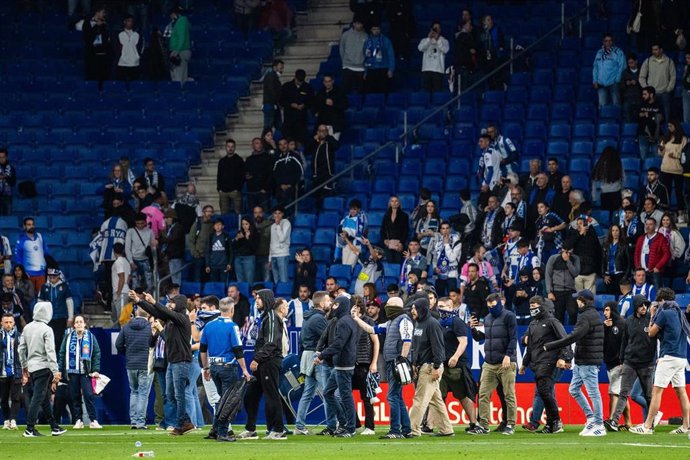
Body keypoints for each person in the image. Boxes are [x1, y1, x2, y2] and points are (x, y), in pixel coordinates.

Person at [544, 289, 606, 436]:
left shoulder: (586, 316)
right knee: (574, 389)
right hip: (582, 360)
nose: (576, 301)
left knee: (593, 393)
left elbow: (574, 336)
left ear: (582, 300)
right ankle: (591, 418)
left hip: (588, 360)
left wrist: (552, 345)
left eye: (577, 299)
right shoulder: (592, 314)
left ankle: (599, 424)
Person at [132, 291, 194, 436]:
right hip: (173, 361)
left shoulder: (182, 318)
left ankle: (180, 425)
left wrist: (154, 301)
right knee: (169, 394)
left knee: (178, 395)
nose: (170, 305)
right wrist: (139, 301)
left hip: (181, 360)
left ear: (179, 304)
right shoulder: (171, 319)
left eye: (172, 302)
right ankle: (186, 421)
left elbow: (163, 310)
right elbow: (156, 312)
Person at [352, 296, 413, 439]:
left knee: (392, 396)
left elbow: (407, 341)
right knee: (398, 397)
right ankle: (406, 429)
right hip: (392, 362)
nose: (387, 308)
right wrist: (356, 318)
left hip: (397, 363)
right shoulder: (391, 322)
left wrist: (402, 361)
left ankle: (395, 430)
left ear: (397, 307)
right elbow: (371, 329)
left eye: (390, 305)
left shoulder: (404, 320)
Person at [631, 288, 690, 435]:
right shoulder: (679, 313)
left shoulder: (664, 313)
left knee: (656, 391)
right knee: (681, 391)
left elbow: (651, 332)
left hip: (668, 356)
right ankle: (686, 426)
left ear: (662, 300)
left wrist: (652, 315)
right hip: (681, 357)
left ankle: (647, 426)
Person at [200, 297, 252, 443]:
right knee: (228, 402)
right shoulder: (232, 326)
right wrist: (245, 370)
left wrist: (205, 367)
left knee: (222, 400)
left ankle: (214, 429)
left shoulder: (209, 325)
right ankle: (222, 433)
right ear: (232, 309)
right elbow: (238, 349)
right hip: (228, 367)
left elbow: (203, 349)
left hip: (214, 367)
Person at [239, 291, 289, 440]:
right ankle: (250, 429)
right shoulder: (267, 317)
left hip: (270, 361)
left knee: (272, 396)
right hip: (264, 362)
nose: (256, 301)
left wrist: (257, 359)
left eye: (259, 298)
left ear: (266, 299)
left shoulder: (272, 317)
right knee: (251, 396)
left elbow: (272, 343)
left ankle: (279, 430)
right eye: (255, 298)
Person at [519, 296, 572, 434]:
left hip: (551, 362)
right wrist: (525, 363)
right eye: (530, 306)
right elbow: (530, 347)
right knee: (545, 392)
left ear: (542, 306)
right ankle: (550, 424)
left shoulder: (552, 322)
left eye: (534, 306)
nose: (532, 309)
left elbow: (565, 340)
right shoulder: (533, 324)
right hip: (537, 363)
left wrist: (563, 358)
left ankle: (555, 421)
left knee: (543, 391)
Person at [467, 293, 517, 435]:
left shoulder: (509, 316)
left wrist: (508, 356)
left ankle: (511, 424)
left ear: (499, 303)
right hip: (489, 363)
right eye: (489, 306)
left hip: (505, 363)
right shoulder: (488, 319)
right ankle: (483, 425)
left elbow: (513, 338)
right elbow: (481, 338)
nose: (491, 308)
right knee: (483, 394)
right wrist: (472, 329)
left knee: (509, 395)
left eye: (493, 306)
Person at [604, 295, 655, 432]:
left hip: (647, 363)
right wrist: (621, 361)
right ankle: (614, 421)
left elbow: (657, 340)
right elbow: (624, 342)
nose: (644, 307)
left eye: (645, 305)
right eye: (641, 305)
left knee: (648, 395)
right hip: (630, 362)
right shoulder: (629, 321)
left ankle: (650, 422)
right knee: (623, 393)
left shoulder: (651, 319)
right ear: (635, 306)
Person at [406, 297, 454, 437]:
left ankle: (413, 429)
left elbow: (438, 347)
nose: (412, 311)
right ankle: (446, 429)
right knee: (435, 400)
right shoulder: (418, 323)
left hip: (431, 366)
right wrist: (414, 364)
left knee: (420, 399)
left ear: (422, 308)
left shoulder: (433, 324)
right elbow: (417, 347)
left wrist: (437, 366)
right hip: (423, 365)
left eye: (415, 308)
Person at [18, 301, 66, 437]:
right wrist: (56, 371)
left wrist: (24, 366)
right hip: (44, 368)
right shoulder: (47, 329)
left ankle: (54, 426)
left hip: (32, 368)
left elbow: (21, 349)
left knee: (44, 398)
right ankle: (29, 428)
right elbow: (50, 351)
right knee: (38, 397)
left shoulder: (27, 327)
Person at [315, 296, 360, 437]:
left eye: (336, 305)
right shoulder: (347, 321)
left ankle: (350, 428)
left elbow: (338, 344)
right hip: (341, 364)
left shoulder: (343, 322)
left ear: (341, 306)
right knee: (328, 393)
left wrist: (322, 355)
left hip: (343, 365)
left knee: (346, 396)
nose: (333, 307)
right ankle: (343, 422)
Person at [435, 297, 477, 431]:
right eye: (439, 306)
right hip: (442, 365)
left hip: (456, 366)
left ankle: (474, 423)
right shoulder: (438, 322)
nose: (440, 308)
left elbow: (464, 342)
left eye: (443, 306)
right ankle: (434, 426)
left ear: (451, 308)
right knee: (438, 396)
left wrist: (455, 356)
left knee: (463, 395)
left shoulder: (457, 322)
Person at [294, 291, 330, 435]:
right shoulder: (318, 319)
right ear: (321, 304)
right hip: (317, 356)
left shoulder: (309, 317)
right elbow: (328, 338)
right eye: (328, 301)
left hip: (307, 356)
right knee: (327, 392)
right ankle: (332, 425)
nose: (330, 303)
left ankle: (299, 426)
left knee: (308, 393)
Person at [58, 315, 102, 429]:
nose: (78, 324)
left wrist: (96, 370)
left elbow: (96, 354)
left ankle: (93, 420)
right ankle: (78, 420)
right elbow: (62, 353)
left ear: (84, 324)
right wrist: (59, 370)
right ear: (74, 325)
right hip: (72, 371)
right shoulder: (68, 338)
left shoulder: (91, 337)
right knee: (75, 396)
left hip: (85, 371)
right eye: (76, 322)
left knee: (88, 395)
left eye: (80, 322)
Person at [115, 306, 153, 429]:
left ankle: (133, 420)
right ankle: (140, 422)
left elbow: (118, 344)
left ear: (135, 312)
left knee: (134, 392)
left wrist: (127, 353)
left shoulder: (126, 327)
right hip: (144, 364)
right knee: (142, 394)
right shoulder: (149, 328)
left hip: (131, 364)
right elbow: (153, 344)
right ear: (148, 314)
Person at [349, 297, 379, 435]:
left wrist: (374, 362)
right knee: (345, 395)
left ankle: (370, 427)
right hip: (349, 363)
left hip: (364, 363)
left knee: (366, 397)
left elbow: (376, 342)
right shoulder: (348, 321)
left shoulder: (368, 321)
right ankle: (355, 423)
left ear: (358, 308)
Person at [602, 301, 628, 429]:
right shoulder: (606, 325)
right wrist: (606, 328)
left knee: (614, 392)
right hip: (609, 363)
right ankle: (628, 422)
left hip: (619, 363)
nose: (605, 313)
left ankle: (612, 419)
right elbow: (604, 343)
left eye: (607, 310)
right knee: (620, 393)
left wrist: (623, 361)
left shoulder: (622, 324)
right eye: (604, 310)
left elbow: (626, 344)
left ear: (613, 310)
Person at [37, 268, 74, 351]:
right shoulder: (44, 287)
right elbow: (39, 303)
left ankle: (58, 358)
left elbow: (69, 302)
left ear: (58, 276)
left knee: (58, 338)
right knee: (48, 338)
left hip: (61, 317)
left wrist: (70, 318)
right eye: (50, 276)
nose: (52, 277)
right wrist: (40, 317)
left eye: (54, 276)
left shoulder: (64, 286)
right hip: (48, 318)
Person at [545, 241, 581, 326]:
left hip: (570, 291)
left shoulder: (575, 258)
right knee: (558, 316)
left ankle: (572, 333)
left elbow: (575, 273)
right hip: (557, 291)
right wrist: (549, 292)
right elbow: (548, 274)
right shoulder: (553, 258)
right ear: (562, 249)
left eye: (570, 252)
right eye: (566, 251)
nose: (568, 253)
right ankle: (559, 335)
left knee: (573, 312)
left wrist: (568, 261)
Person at [658, 120, 688, 222]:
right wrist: (661, 149)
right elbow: (661, 154)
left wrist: (675, 155)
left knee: (679, 192)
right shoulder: (666, 138)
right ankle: (666, 214)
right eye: (668, 126)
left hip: (677, 169)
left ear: (676, 126)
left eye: (671, 126)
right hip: (665, 169)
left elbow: (686, 154)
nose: (669, 128)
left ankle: (681, 214)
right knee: (666, 192)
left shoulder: (684, 139)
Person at [639, 43, 675, 122]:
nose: (654, 51)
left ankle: (667, 129)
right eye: (653, 50)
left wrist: (668, 89)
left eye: (656, 49)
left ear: (661, 50)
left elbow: (673, 77)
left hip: (664, 92)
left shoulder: (669, 61)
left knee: (666, 114)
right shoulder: (648, 61)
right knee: (651, 116)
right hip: (652, 94)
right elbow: (641, 77)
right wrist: (647, 89)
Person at [14, 217, 50, 295]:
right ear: (24, 226)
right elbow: (18, 259)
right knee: (29, 298)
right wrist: (23, 272)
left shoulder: (40, 237)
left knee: (42, 298)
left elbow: (46, 252)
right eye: (29, 225)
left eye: (33, 224)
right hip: (28, 274)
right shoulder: (21, 240)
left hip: (42, 273)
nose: (31, 226)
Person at [634, 217, 671, 288]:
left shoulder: (661, 238)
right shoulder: (641, 238)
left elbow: (667, 254)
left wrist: (658, 267)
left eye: (650, 224)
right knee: (643, 293)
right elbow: (636, 254)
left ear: (655, 226)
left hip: (654, 272)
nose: (648, 226)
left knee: (657, 293)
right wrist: (637, 267)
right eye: (646, 224)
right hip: (642, 272)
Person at [428, 221, 463, 297]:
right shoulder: (438, 241)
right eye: (443, 229)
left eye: (447, 228)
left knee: (452, 298)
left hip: (452, 275)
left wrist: (447, 244)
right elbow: (434, 258)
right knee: (440, 298)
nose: (445, 231)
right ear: (440, 230)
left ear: (450, 229)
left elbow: (452, 258)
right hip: (440, 274)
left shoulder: (456, 240)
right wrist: (434, 267)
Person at [280, 69, 314, 146]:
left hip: (301, 120)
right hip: (289, 119)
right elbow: (281, 101)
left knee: (300, 141)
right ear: (295, 77)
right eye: (298, 80)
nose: (300, 82)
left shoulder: (308, 88)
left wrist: (304, 105)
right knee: (288, 140)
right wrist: (291, 104)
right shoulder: (286, 87)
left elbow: (311, 101)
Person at [305, 125, 339, 200]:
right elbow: (306, 150)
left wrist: (328, 136)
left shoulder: (329, 142)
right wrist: (314, 139)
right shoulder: (315, 144)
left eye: (324, 131)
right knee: (316, 197)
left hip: (327, 174)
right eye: (320, 131)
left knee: (325, 196)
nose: (322, 133)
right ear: (317, 132)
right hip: (316, 174)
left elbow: (336, 146)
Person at [592, 34, 626, 107]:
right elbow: (595, 67)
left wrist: (617, 80)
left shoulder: (618, 52)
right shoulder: (599, 53)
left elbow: (622, 67)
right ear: (603, 42)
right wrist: (595, 80)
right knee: (602, 105)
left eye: (610, 41)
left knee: (616, 104)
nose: (608, 43)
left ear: (612, 42)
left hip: (613, 82)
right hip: (601, 83)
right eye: (606, 41)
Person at [0, 314, 22, 430]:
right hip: (2, 372)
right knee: (3, 399)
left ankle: (13, 420)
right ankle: (6, 420)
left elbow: (23, 355)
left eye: (10, 322)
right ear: (1, 323)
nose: (8, 324)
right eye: (6, 322)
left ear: (14, 323)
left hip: (16, 371)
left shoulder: (19, 336)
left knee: (15, 398)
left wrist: (25, 371)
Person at [83, 6, 111, 89]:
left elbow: (107, 39)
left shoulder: (105, 24)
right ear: (97, 12)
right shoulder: (87, 23)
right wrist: (96, 26)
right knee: (91, 76)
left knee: (103, 77)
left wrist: (102, 26)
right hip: (91, 54)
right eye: (103, 12)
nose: (104, 14)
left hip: (103, 54)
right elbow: (87, 38)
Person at [363, 23, 395, 95]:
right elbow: (365, 57)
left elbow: (391, 56)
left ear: (380, 30)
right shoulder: (367, 41)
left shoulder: (386, 40)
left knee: (383, 92)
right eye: (374, 29)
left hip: (382, 69)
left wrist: (391, 69)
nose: (376, 31)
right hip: (371, 69)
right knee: (371, 92)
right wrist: (365, 71)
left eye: (377, 29)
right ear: (371, 30)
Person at [417, 21, 449, 93]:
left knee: (437, 93)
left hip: (438, 71)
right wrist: (429, 39)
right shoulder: (425, 40)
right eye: (435, 28)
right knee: (426, 93)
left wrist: (437, 40)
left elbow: (445, 50)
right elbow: (420, 48)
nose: (436, 30)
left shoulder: (444, 41)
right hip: (426, 70)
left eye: (438, 28)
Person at [126, 213, 155, 291]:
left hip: (146, 259)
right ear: (135, 223)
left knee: (149, 284)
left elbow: (153, 247)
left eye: (142, 223)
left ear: (145, 222)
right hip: (134, 260)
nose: (140, 225)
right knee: (135, 284)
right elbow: (127, 248)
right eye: (138, 223)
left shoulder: (150, 232)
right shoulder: (130, 231)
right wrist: (131, 262)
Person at [591, 147, 624, 216]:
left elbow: (594, 179)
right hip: (616, 193)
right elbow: (623, 178)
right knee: (616, 214)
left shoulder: (600, 164)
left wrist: (594, 196)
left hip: (604, 194)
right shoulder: (618, 163)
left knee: (605, 215)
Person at [313, 74, 347, 140]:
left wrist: (333, 104)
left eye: (329, 81)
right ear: (323, 82)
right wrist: (315, 112)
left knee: (333, 145)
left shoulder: (339, 92)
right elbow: (315, 105)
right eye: (325, 81)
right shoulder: (320, 93)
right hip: (322, 123)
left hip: (335, 124)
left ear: (332, 81)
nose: (327, 83)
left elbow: (344, 105)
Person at [217, 138, 245, 215]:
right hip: (223, 191)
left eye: (232, 146)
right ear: (225, 147)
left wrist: (237, 188)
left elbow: (242, 176)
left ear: (235, 147)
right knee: (224, 213)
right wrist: (219, 189)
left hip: (235, 191)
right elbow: (219, 175)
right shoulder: (222, 161)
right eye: (228, 146)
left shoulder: (239, 160)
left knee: (238, 213)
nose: (230, 148)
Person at [339, 17, 367, 94]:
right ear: (354, 24)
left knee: (361, 92)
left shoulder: (366, 36)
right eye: (357, 23)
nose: (359, 25)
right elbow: (342, 49)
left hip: (361, 68)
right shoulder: (345, 35)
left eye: (361, 23)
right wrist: (345, 62)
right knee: (346, 91)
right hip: (348, 67)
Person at [338, 199, 369, 267]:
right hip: (346, 245)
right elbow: (340, 229)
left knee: (350, 267)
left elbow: (358, 233)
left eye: (354, 209)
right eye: (351, 209)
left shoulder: (362, 219)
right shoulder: (345, 219)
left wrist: (346, 233)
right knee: (344, 266)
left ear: (359, 209)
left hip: (356, 245)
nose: (352, 211)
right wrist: (343, 234)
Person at [601, 224, 631, 296]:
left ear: (620, 232)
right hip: (609, 277)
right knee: (609, 298)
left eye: (617, 230)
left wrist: (625, 277)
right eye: (613, 230)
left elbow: (629, 263)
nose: (615, 232)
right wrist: (604, 275)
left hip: (620, 276)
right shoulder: (606, 245)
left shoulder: (624, 245)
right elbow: (602, 261)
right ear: (610, 232)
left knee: (620, 297)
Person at [187, 205, 214, 283]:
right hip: (198, 256)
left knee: (207, 278)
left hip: (208, 257)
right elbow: (191, 240)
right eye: (208, 211)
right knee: (197, 277)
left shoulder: (212, 225)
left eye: (211, 212)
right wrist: (195, 253)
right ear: (203, 212)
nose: (210, 213)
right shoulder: (197, 224)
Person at [381, 196, 409, 264]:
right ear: (390, 203)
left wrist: (401, 243)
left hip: (399, 244)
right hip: (389, 244)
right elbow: (383, 230)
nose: (394, 203)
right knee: (390, 263)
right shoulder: (386, 215)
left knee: (398, 263)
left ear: (399, 203)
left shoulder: (404, 216)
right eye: (392, 201)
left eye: (396, 201)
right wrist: (384, 240)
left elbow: (406, 231)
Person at [637, 86, 664, 158]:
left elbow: (662, 118)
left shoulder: (659, 105)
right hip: (643, 134)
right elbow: (636, 116)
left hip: (656, 135)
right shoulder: (641, 104)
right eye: (643, 94)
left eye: (645, 94)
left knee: (657, 157)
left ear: (651, 95)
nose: (643, 96)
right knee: (643, 157)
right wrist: (642, 114)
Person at [168, 6, 192, 83]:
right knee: (182, 75)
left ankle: (178, 91)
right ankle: (182, 91)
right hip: (182, 50)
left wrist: (177, 51)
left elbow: (182, 38)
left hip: (180, 51)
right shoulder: (182, 22)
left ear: (174, 14)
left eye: (171, 15)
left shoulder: (181, 22)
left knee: (177, 75)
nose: (170, 17)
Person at [116, 14, 143, 80]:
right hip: (122, 63)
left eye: (131, 21)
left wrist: (137, 56)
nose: (130, 23)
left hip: (135, 63)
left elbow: (141, 47)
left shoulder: (137, 35)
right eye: (128, 21)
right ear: (124, 22)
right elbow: (116, 48)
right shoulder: (119, 34)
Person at [205, 218, 232, 284]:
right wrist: (207, 265)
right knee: (214, 283)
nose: (217, 226)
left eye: (219, 225)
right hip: (213, 264)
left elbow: (230, 251)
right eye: (216, 225)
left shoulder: (226, 236)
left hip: (223, 264)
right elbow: (208, 251)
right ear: (214, 226)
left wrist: (229, 263)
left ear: (223, 226)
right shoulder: (211, 237)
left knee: (223, 283)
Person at [269, 207, 291, 284]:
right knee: (276, 281)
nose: (277, 215)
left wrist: (278, 225)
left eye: (279, 213)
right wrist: (269, 259)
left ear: (283, 214)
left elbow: (282, 238)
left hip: (283, 254)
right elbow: (271, 243)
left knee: (283, 280)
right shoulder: (272, 226)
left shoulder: (286, 223)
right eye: (275, 213)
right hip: (274, 255)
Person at [111, 243, 131, 327]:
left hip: (121, 293)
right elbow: (128, 278)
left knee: (122, 317)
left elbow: (122, 277)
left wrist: (118, 293)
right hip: (124, 291)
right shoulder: (126, 261)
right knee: (116, 317)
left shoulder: (118, 262)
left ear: (113, 251)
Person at [262, 59, 284, 131]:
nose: (282, 69)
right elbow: (271, 90)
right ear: (274, 67)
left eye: (282, 67)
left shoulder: (274, 76)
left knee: (278, 125)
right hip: (270, 104)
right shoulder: (271, 76)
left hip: (274, 104)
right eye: (280, 67)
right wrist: (276, 101)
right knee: (268, 127)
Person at [621, 53, 643, 122]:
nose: (630, 64)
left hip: (639, 99)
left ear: (636, 61)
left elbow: (646, 85)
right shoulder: (625, 72)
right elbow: (621, 87)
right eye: (629, 63)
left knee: (640, 120)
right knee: (628, 120)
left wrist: (637, 83)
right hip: (628, 99)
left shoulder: (642, 71)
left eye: (632, 62)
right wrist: (626, 83)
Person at [0, 148, 16, 216]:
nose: (1, 159)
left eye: (3, 157)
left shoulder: (11, 168)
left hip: (7, 196)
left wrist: (5, 177)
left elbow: (13, 183)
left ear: (6, 157)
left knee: (8, 218)